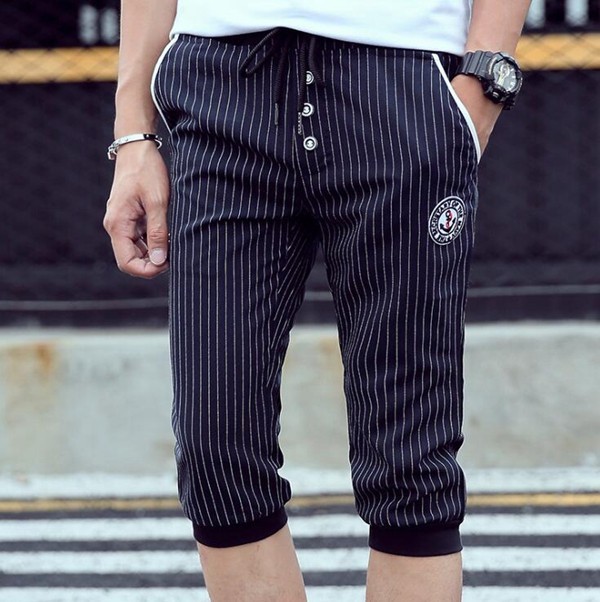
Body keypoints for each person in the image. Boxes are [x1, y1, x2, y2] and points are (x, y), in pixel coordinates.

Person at [104, 1, 531, 599]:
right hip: (220, 87)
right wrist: (133, 135)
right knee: (214, 452)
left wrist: (481, 84)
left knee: (409, 458)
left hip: (398, 80)